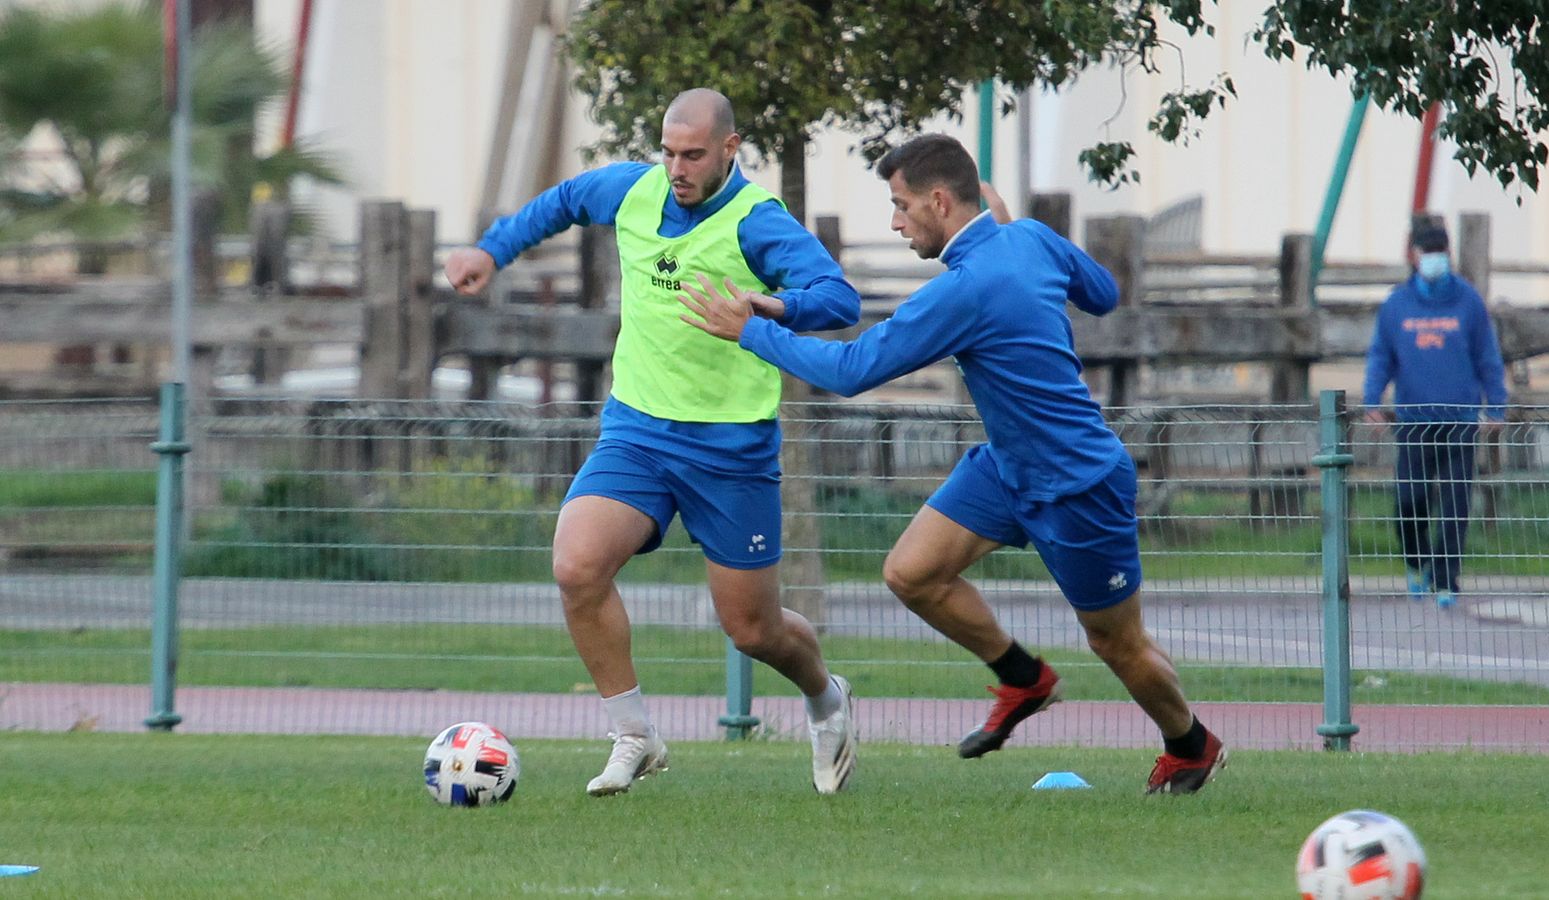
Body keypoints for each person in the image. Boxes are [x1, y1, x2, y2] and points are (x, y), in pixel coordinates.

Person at [677, 133, 1225, 794]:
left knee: (1117, 644)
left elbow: (852, 371)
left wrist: (751, 331)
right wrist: (780, 308)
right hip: (1006, 466)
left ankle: (1190, 746)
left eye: (902, 205)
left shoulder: (965, 290)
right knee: (911, 573)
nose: (895, 221)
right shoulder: (1029, 240)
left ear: (941, 201)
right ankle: (1024, 679)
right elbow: (1104, 294)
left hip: (1077, 482)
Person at [444, 88, 861, 797]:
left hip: (731, 448)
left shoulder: (758, 223)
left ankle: (827, 697)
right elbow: (564, 201)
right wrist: (491, 249)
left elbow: (839, 297)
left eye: (693, 154)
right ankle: (634, 733)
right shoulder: (633, 190)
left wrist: (767, 303)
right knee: (577, 565)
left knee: (753, 631)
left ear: (730, 149)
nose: (676, 168)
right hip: (637, 431)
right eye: (668, 152)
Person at [1362, 220, 1507, 609]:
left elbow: (1487, 357)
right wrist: (1372, 402)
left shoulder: (1468, 301)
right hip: (1414, 420)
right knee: (1410, 500)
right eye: (1428, 252)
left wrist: (1496, 406)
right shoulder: (1397, 305)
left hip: (1459, 419)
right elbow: (1381, 357)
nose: (1435, 259)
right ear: (1414, 256)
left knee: (1456, 503)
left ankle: (1446, 580)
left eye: (1441, 251)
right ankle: (1417, 561)